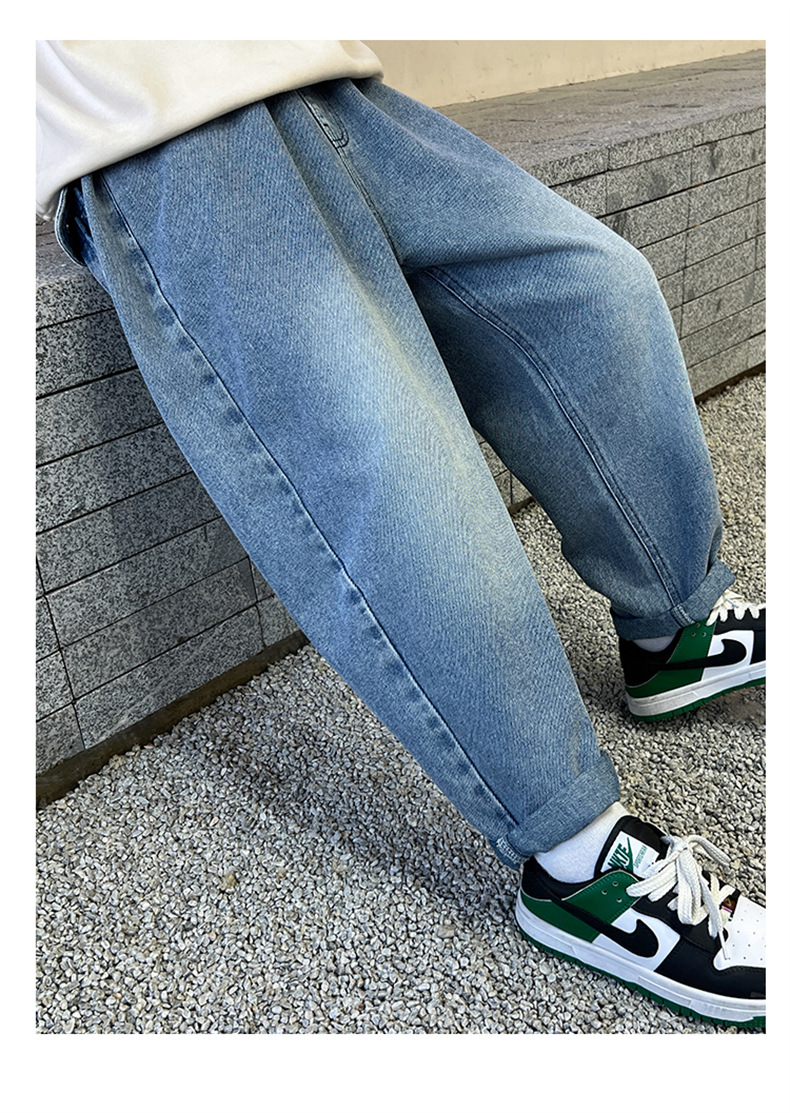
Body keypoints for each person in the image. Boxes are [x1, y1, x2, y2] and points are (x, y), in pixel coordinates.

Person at [36, 40, 766, 1029]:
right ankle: (575, 860)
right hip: (152, 133)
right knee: (393, 455)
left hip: (319, 85)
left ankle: (677, 627)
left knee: (596, 292)